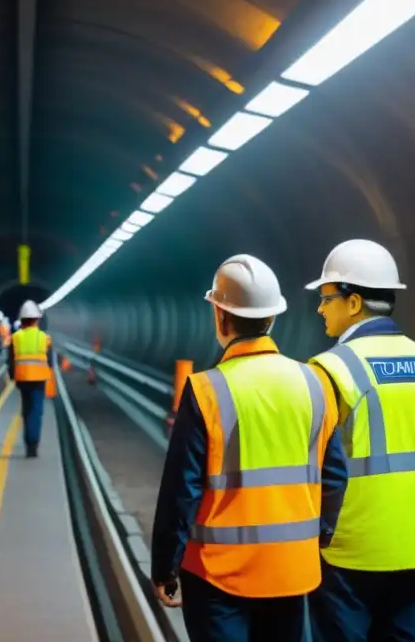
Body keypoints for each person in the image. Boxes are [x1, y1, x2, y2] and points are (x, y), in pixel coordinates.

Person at [150, 254, 350, 640]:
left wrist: (165, 566)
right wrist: (317, 536)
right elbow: (335, 476)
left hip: (218, 575)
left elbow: (181, 491)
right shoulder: (315, 384)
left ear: (220, 317)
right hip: (292, 570)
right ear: (272, 318)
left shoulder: (206, 389)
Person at [304, 239, 415, 642]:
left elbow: (309, 462)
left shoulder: (331, 369)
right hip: (412, 545)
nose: (320, 308)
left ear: (353, 303)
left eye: (326, 298)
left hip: (348, 548)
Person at [8, 300, 55, 458]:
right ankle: (32, 445)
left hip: (22, 379)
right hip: (39, 379)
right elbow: (50, 361)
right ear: (37, 319)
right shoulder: (45, 338)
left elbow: (10, 361)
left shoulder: (15, 337)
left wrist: (12, 376)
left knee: (26, 410)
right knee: (36, 411)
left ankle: (28, 441)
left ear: (22, 320)